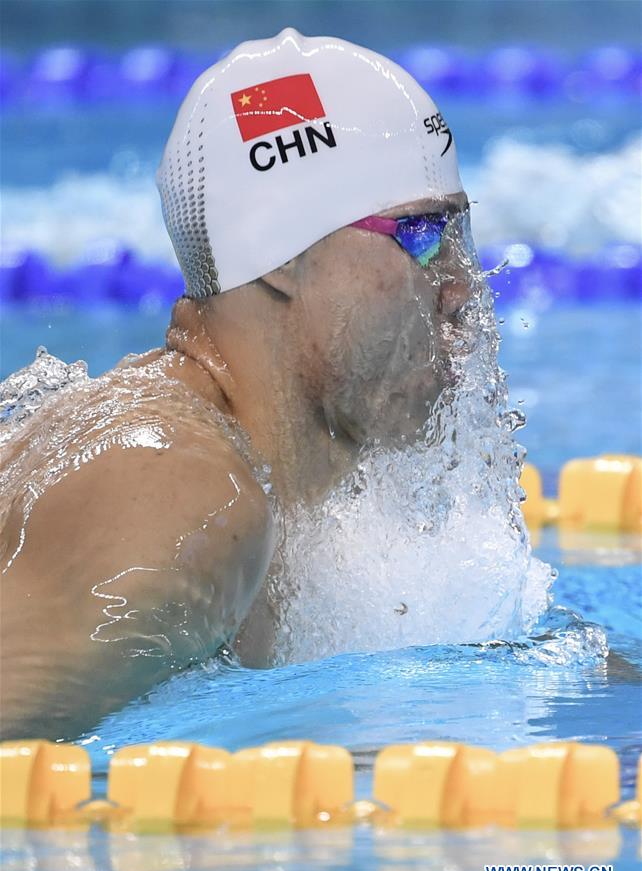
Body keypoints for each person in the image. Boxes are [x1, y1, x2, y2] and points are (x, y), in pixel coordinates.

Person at [0, 28, 475, 739]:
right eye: (421, 236)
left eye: (461, 235)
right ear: (282, 254)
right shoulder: (182, 490)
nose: (461, 284)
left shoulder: (287, 497)